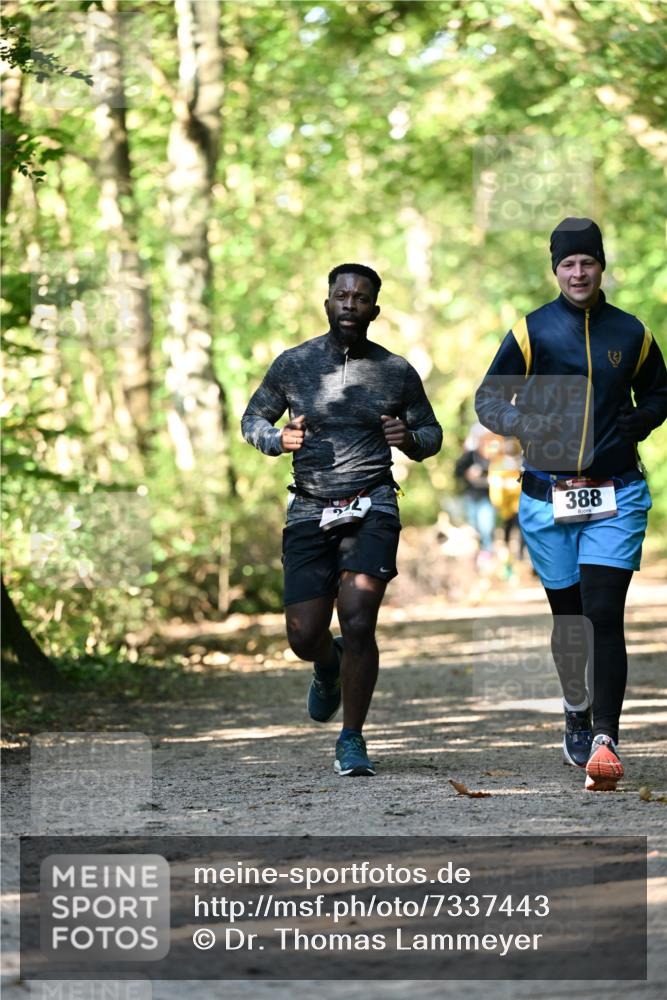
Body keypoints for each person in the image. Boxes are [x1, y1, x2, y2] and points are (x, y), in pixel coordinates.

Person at [475, 218, 667, 791]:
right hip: (545, 495)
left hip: (616, 491)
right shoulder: (531, 331)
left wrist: (636, 422)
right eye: (568, 264)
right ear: (555, 269)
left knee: (604, 611)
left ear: (601, 266)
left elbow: (660, 390)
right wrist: (522, 422)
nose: (578, 272)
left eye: (588, 262)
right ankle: (576, 713)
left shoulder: (632, 333)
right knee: (570, 618)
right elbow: (489, 398)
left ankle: (605, 736)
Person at [242, 263, 442, 776]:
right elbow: (253, 418)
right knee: (303, 636)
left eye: (361, 297)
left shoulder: (396, 370)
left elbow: (431, 433)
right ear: (327, 302)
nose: (351, 303)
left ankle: (352, 738)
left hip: (372, 503)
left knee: (358, 618)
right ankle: (326, 666)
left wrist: (410, 439)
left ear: (375, 309)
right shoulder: (293, 364)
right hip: (309, 505)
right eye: (342, 295)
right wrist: (276, 439)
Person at [454, 422, 497, 569]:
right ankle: (474, 557)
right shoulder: (469, 457)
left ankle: (487, 556)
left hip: (488, 497)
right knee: (474, 528)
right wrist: (467, 474)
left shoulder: (495, 457)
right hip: (471, 497)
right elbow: (457, 473)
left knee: (486, 526)